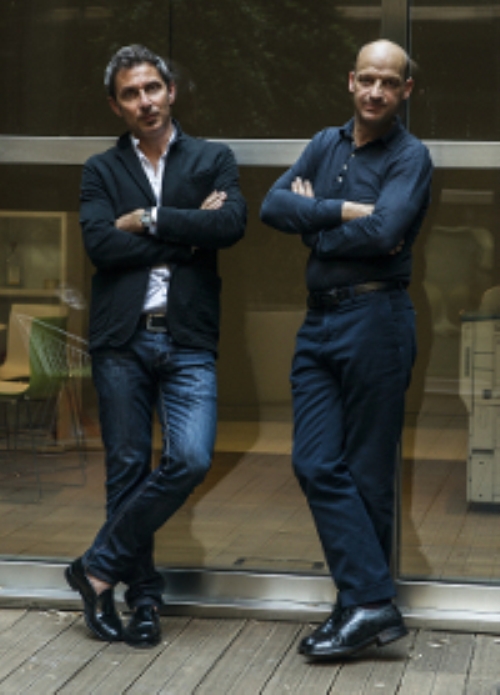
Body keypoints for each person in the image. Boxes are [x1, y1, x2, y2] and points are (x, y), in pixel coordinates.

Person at [65, 44, 246, 648]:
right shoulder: (101, 170)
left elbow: (229, 225)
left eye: (151, 88)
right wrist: (187, 230)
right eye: (130, 93)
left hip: (188, 336)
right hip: (121, 340)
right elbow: (101, 245)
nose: (144, 101)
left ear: (170, 90)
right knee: (126, 471)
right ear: (115, 105)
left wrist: (146, 218)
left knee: (190, 458)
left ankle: (95, 568)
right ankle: (142, 600)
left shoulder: (212, 158)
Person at [260, 39, 433, 660]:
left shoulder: (411, 156)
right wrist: (344, 212)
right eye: (367, 79)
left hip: (376, 318)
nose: (376, 91)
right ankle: (371, 603)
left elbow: (386, 232)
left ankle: (357, 608)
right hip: (320, 323)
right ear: (351, 80)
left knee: (367, 473)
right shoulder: (324, 143)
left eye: (389, 82)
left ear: (405, 89)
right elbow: (273, 206)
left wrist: (316, 226)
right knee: (314, 461)